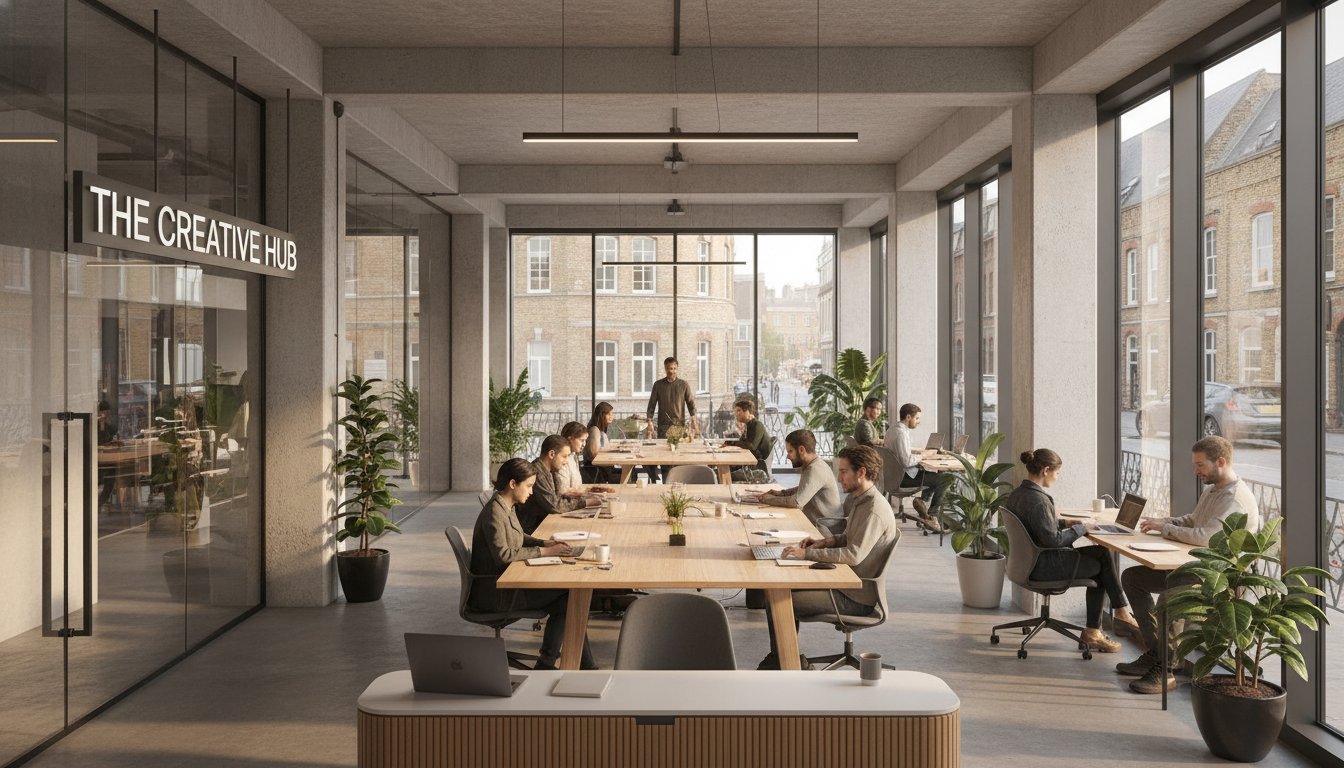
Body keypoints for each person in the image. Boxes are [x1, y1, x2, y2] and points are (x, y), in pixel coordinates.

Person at [1117, 435, 1261, 695]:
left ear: (1220, 461)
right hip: (1193, 568)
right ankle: (1155, 654)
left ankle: (1166, 670)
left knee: (1168, 600)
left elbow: (1206, 539)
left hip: (1215, 577)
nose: (1195, 471)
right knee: (1132, 578)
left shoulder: (1235, 500)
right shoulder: (1214, 490)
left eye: (1200, 465)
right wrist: (1164, 522)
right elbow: (1194, 521)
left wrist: (1167, 530)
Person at [757, 445, 898, 670]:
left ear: (861, 472)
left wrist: (807, 554)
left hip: (856, 598)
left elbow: (853, 555)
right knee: (777, 591)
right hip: (845, 585)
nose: (838, 477)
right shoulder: (862, 500)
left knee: (778, 601)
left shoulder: (874, 510)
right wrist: (826, 541)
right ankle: (784, 659)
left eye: (843, 472)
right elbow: (850, 537)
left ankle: (789, 663)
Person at [1004, 448, 1135, 657]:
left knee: (1101, 554)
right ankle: (1102, 625)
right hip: (1043, 566)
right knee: (1101, 564)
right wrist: (1081, 529)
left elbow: (1037, 526)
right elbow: (1054, 540)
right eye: (1057, 473)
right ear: (1046, 470)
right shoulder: (1039, 500)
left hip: (1026, 563)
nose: (1057, 478)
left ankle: (1116, 614)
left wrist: (1066, 522)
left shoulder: (1018, 494)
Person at [469, 458, 596, 670]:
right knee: (570, 598)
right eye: (528, 486)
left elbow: (519, 537)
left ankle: (562, 663)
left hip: (505, 584)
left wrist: (544, 542)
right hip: (496, 594)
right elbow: (504, 554)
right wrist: (546, 551)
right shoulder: (494, 512)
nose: (530, 492)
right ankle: (554, 662)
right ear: (512, 484)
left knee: (569, 600)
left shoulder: (505, 505)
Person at [516, 435, 600, 535]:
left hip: (544, 524)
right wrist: (586, 502)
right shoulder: (538, 474)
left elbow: (559, 497)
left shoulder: (550, 470)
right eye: (564, 456)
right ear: (551, 454)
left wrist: (584, 496)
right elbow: (554, 505)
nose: (567, 461)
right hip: (533, 531)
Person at [882, 403, 944, 532]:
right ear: (908, 417)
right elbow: (906, 461)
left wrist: (920, 454)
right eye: (917, 418)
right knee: (944, 479)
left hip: (895, 475)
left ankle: (923, 504)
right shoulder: (900, 433)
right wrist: (924, 455)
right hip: (902, 479)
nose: (919, 422)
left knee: (935, 476)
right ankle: (931, 516)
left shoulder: (894, 429)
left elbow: (902, 454)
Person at [758, 430, 842, 525]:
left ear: (801, 450)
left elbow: (797, 502)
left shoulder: (815, 469)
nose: (788, 456)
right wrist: (781, 493)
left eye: (790, 451)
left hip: (823, 530)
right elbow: (806, 489)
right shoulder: (812, 465)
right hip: (815, 524)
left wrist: (767, 499)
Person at [727, 398, 771, 482]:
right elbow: (742, 443)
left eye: (739, 410)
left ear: (747, 411)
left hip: (753, 467)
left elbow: (752, 446)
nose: (736, 414)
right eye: (736, 411)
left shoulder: (757, 425)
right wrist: (730, 443)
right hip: (747, 461)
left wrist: (731, 443)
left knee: (723, 470)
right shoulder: (749, 426)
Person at [583, 402, 620, 484]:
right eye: (609, 414)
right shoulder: (595, 430)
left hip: (602, 469)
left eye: (612, 413)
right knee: (630, 475)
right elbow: (594, 453)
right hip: (599, 472)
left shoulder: (598, 429)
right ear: (601, 415)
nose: (612, 416)